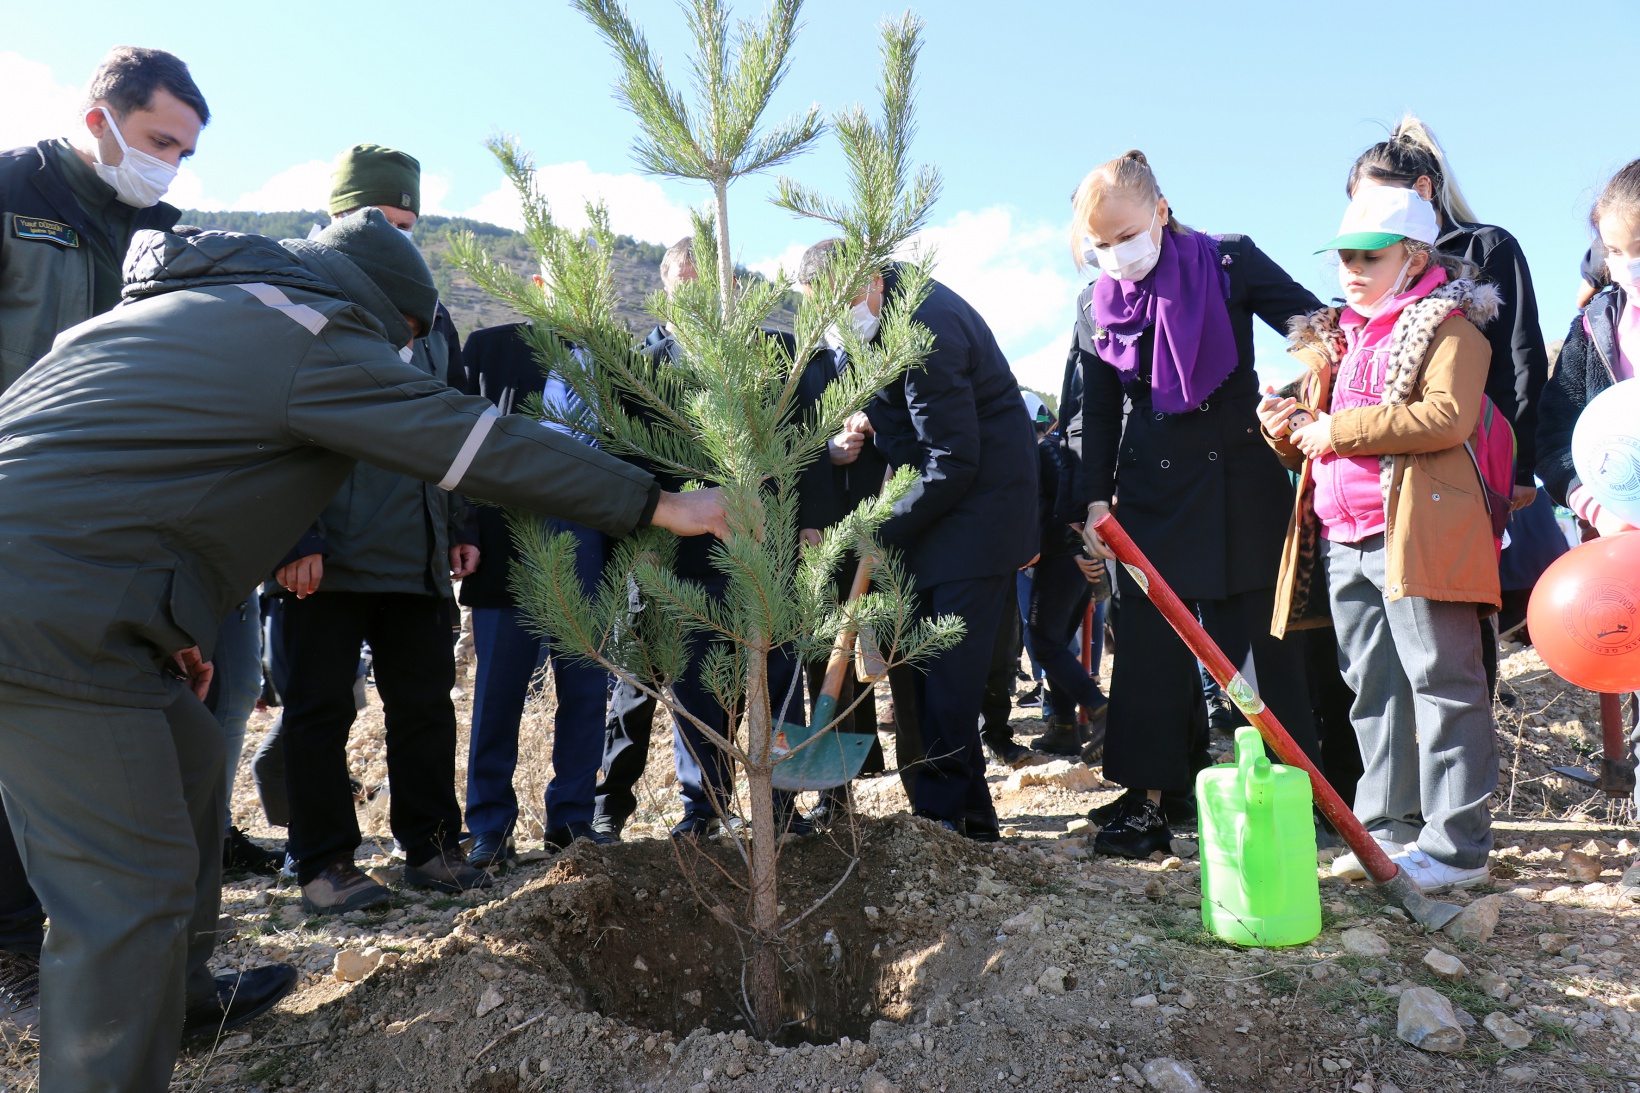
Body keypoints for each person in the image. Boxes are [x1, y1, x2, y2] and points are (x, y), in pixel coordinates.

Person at [0, 209, 724, 1092]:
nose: (405, 353)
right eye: (409, 336)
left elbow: (140, 473)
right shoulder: (312, 331)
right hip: (50, 613)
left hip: (73, 589)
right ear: (381, 309)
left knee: (189, 758)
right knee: (125, 892)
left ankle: (179, 997)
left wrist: (167, 624)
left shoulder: (195, 307)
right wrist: (659, 504)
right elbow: (474, 441)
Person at [0, 45, 237, 1041]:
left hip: (127, 540)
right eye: (157, 142)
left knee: (175, 748)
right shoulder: (11, 193)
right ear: (97, 118)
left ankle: (172, 977)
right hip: (17, 525)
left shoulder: (166, 239)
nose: (169, 168)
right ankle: (20, 967)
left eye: (184, 153)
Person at [1064, 150, 1322, 859]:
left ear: (1161, 211)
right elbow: (1097, 415)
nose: (1117, 255)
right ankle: (1150, 802)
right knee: (1147, 652)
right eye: (1102, 244)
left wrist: (1301, 408)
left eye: (1127, 235)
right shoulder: (1093, 307)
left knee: (1269, 650)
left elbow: (1318, 328)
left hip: (1242, 484)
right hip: (1148, 495)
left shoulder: (1228, 262)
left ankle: (1302, 795)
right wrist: (1092, 504)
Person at [1261, 183, 1500, 892]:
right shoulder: (1341, 340)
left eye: (1370, 254)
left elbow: (1448, 418)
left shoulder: (1453, 327)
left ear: (1415, 253)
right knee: (1375, 691)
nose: (1352, 268)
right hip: (1346, 537)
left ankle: (1458, 849)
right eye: (1344, 256)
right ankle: (1388, 837)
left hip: (1417, 535)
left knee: (1445, 686)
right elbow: (1322, 441)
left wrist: (1334, 429)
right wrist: (1290, 431)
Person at [270, 145, 486, 915]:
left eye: (408, 225)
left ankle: (431, 849)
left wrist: (458, 523)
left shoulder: (435, 319)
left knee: (426, 705)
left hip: (417, 552)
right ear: (339, 221)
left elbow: (450, 426)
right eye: (383, 224)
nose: (399, 241)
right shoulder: (291, 300)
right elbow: (273, 432)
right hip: (325, 556)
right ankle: (325, 861)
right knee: (321, 709)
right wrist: (293, 536)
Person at [796, 238, 1037, 839]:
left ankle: (953, 824)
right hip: (931, 515)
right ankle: (947, 817)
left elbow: (952, 458)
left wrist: (878, 523)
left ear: (872, 282)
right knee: (911, 678)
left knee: (947, 685)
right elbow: (912, 424)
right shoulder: (878, 323)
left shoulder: (924, 324)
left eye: (837, 303)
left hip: (976, 517)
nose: (832, 322)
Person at [592, 237, 809, 840]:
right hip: (680, 554)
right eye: (684, 283)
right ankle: (704, 808)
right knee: (694, 685)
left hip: (765, 550)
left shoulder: (773, 352)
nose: (698, 294)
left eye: (709, 282)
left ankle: (786, 804)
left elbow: (800, 447)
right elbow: (626, 457)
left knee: (778, 674)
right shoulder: (640, 365)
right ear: (666, 287)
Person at [1346, 116, 1549, 693]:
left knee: (1461, 586)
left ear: (1423, 192)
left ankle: (1476, 708)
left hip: (1471, 442)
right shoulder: (1371, 266)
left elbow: (1520, 354)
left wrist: (1519, 464)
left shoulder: (1486, 247)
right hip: (1395, 448)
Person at [459, 314, 612, 865]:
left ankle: (571, 821)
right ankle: (489, 828)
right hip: (505, 541)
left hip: (590, 537)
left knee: (586, 690)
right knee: (498, 691)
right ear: (541, 281)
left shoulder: (615, 357)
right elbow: (456, 441)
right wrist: (463, 528)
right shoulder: (489, 348)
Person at [1536, 158, 1640, 904]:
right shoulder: (1594, 326)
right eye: (1616, 251)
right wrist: (1590, 500)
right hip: (1624, 542)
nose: (1624, 264)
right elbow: (1550, 432)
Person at [1022, 392, 1110, 759]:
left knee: (1043, 642)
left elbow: (1065, 505)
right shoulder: (1055, 449)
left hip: (1064, 559)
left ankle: (1102, 709)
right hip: (1070, 558)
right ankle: (1062, 727)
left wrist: (1073, 550)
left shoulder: (1045, 453)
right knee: (1055, 641)